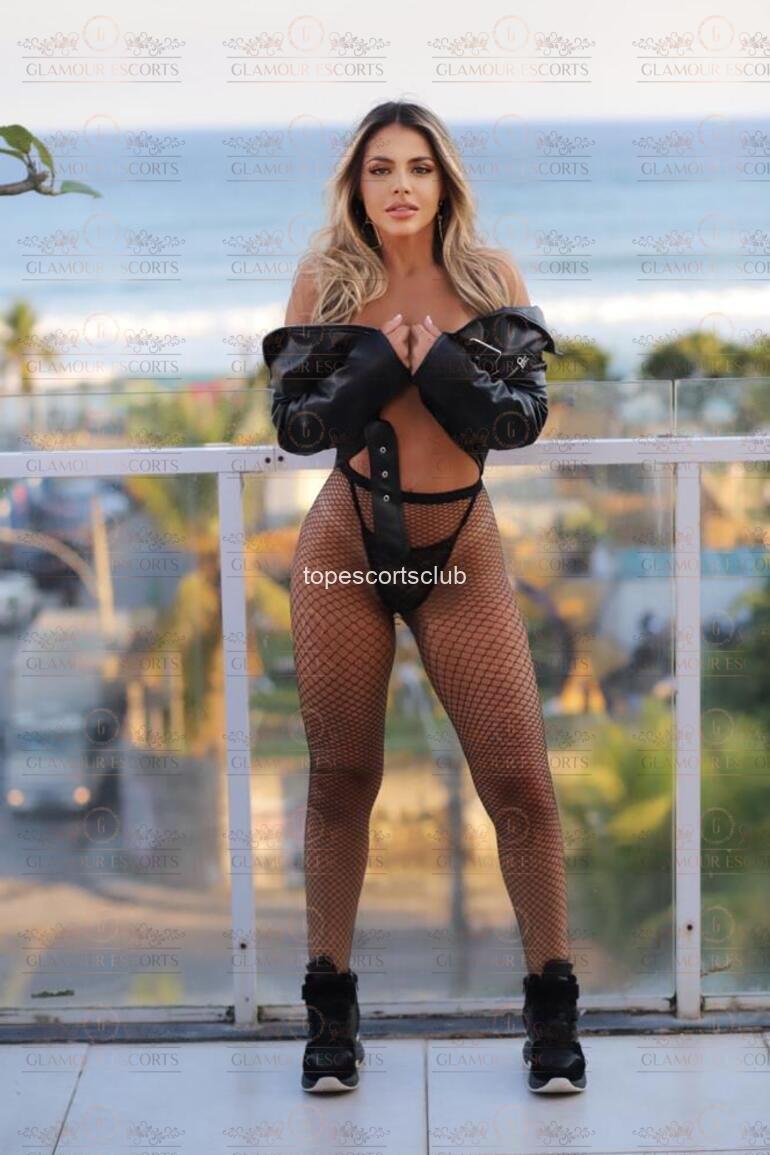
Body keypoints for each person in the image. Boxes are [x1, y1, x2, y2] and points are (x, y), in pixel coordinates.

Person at [262, 100, 586, 1095]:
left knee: (521, 783)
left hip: (460, 548)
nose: (398, 185)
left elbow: (519, 420)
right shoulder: (327, 280)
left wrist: (434, 359)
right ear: (356, 187)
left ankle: (550, 1017)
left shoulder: (489, 279)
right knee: (340, 778)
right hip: (344, 543)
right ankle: (331, 1020)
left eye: (416, 167)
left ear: (443, 182)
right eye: (379, 169)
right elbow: (298, 426)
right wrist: (377, 364)